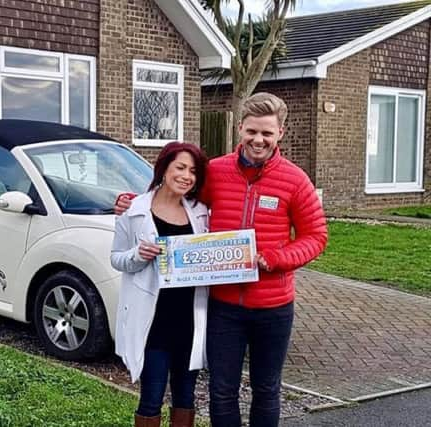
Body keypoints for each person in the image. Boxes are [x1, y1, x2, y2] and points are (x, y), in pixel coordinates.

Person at [115, 92, 328, 427]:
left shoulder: (295, 180)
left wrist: (274, 258)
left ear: (280, 134)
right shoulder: (215, 171)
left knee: (267, 389)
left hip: (273, 306)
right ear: (240, 129)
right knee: (222, 390)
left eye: (267, 133)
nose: (259, 140)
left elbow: (316, 237)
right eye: (252, 131)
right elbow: (173, 197)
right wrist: (133, 202)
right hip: (223, 304)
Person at [111, 142, 210, 427]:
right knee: (151, 397)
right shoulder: (134, 210)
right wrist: (138, 255)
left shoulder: (201, 212)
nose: (186, 176)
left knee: (186, 398)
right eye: (180, 167)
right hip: (153, 322)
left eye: (193, 171)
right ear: (164, 169)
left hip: (189, 321)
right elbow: (116, 258)